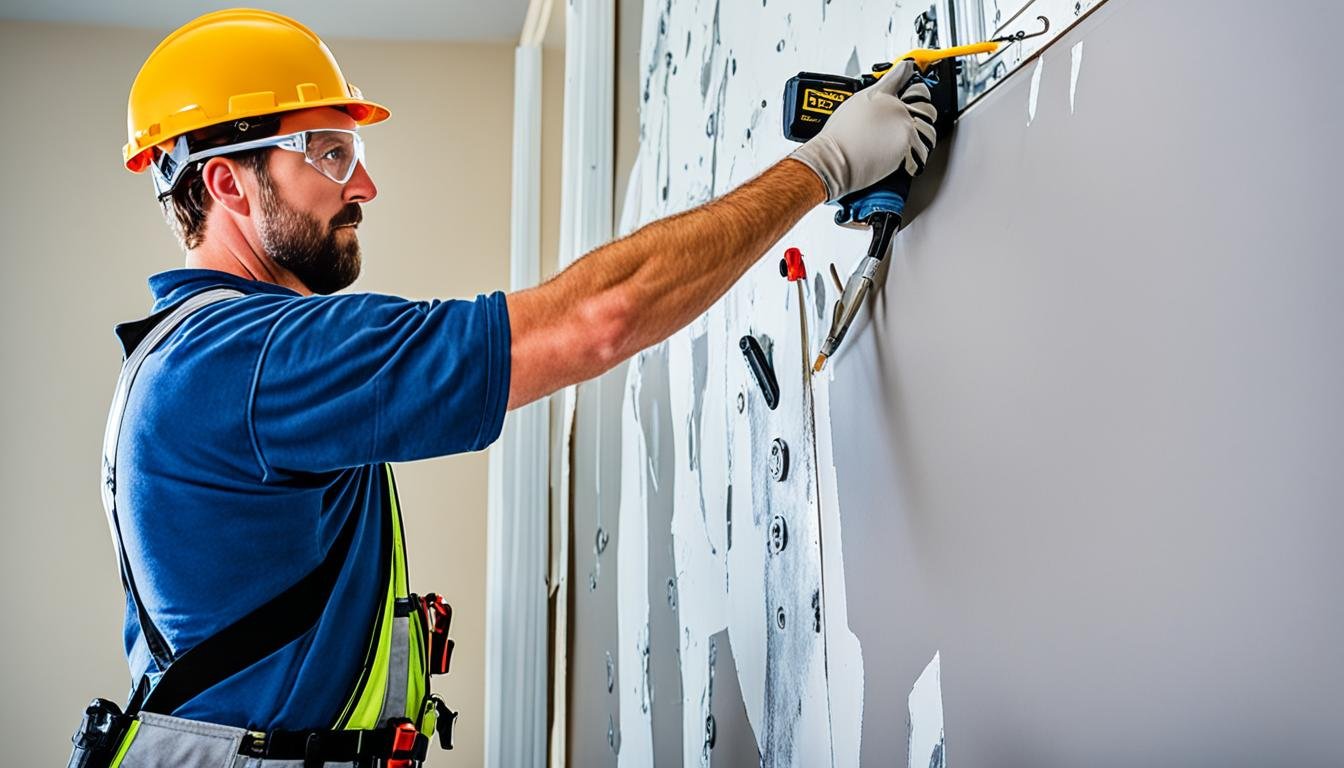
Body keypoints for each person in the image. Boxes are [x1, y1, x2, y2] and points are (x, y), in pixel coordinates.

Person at [78, 7, 935, 765]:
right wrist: (823, 165)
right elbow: (599, 319)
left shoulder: (188, 361)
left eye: (357, 151)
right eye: (329, 153)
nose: (364, 186)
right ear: (227, 181)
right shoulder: (247, 363)